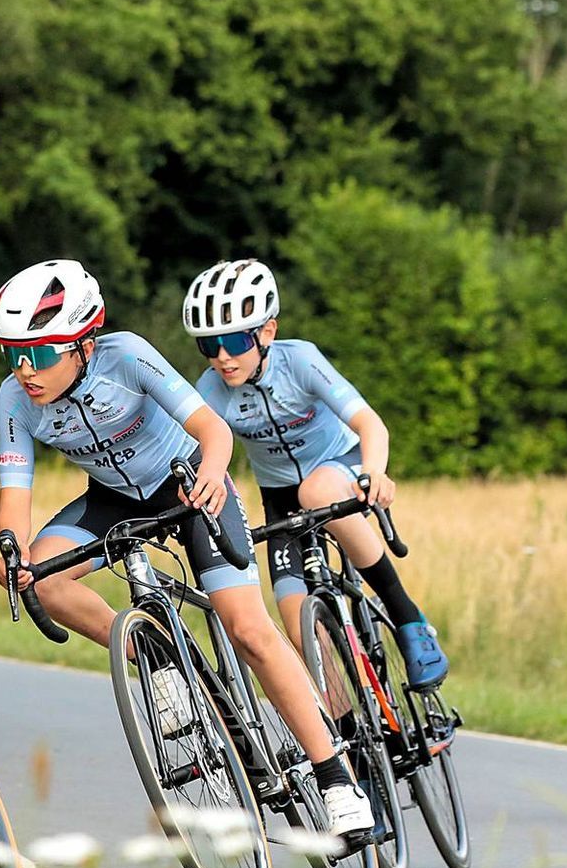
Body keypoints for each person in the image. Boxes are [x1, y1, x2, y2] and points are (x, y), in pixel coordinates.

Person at [0, 259, 375, 837]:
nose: (25, 370)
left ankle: (336, 778)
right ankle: (159, 656)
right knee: (44, 576)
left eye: (40, 353)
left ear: (84, 343)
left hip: (189, 480)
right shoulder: (13, 400)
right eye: (11, 353)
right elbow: (14, 492)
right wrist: (12, 552)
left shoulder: (127, 356)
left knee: (248, 629)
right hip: (115, 498)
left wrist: (214, 476)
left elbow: (213, 430)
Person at [182, 259, 447, 688]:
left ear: (267, 332)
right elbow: (195, 453)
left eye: (233, 341)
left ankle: (406, 617)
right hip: (279, 495)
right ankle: (345, 735)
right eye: (208, 346)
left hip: (342, 463)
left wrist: (375, 473)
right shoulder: (210, 390)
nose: (223, 358)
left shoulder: (300, 360)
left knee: (318, 489)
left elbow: (369, 424)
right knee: (293, 620)